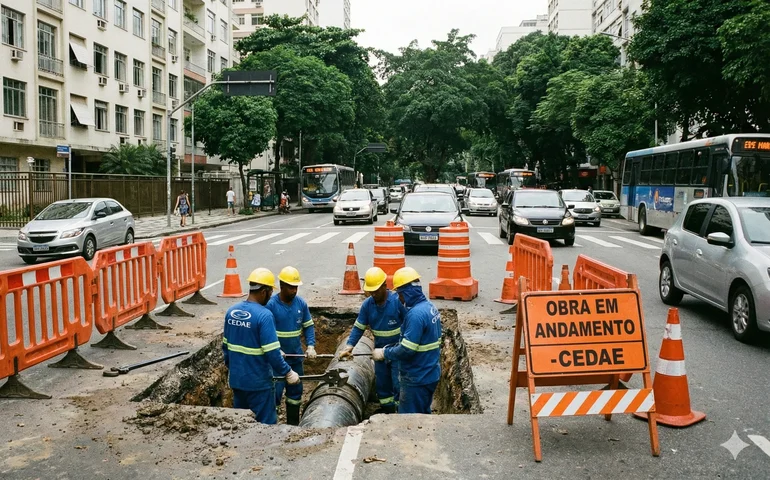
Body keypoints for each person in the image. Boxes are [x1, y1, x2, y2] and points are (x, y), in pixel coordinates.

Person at [222, 268, 300, 424]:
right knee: (265, 427)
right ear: (264, 291)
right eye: (270, 292)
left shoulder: (231, 312)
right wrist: (288, 372)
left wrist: (236, 370)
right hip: (259, 384)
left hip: (238, 382)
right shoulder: (264, 315)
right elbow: (271, 353)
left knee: (241, 423)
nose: (271, 296)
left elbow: (226, 349)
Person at [373, 267, 441, 414]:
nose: (398, 298)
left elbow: (407, 349)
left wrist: (385, 353)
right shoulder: (430, 307)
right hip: (430, 373)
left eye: (400, 293)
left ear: (407, 292)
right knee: (422, 413)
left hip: (417, 378)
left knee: (409, 422)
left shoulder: (415, 315)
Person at [340, 267, 407, 414]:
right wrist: (349, 346)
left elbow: (410, 325)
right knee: (382, 385)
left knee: (398, 384)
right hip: (379, 353)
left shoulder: (397, 302)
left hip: (397, 352)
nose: (373, 294)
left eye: (376, 290)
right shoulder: (368, 305)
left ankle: (400, 414)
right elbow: (359, 327)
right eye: (371, 291)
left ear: (385, 285)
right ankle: (387, 411)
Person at [267, 266, 315, 425]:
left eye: (296, 287)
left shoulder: (301, 304)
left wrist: (310, 346)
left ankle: (293, 425)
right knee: (275, 393)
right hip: (277, 361)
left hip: (296, 357)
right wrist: (275, 350)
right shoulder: (271, 306)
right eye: (291, 287)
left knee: (295, 393)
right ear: (281, 286)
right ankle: (269, 429)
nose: (294, 291)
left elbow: (308, 326)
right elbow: (265, 332)